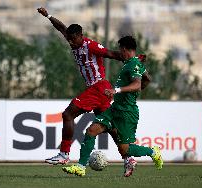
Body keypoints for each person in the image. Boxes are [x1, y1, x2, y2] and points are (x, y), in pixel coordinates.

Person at [37, 7, 145, 165]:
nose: (71, 42)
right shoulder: (72, 39)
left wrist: (133, 59)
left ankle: (64, 154)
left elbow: (111, 54)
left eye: (74, 39)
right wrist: (48, 15)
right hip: (99, 90)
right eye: (69, 39)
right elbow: (61, 27)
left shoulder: (91, 45)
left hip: (99, 87)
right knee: (111, 127)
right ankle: (128, 157)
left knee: (68, 115)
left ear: (81, 36)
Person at [62, 36, 163, 177]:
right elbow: (147, 78)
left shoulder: (133, 64)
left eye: (120, 49)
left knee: (125, 150)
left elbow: (137, 84)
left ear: (125, 49)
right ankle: (80, 166)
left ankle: (153, 152)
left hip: (127, 112)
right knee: (91, 131)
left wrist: (118, 91)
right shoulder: (133, 63)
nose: (119, 53)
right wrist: (134, 91)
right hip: (115, 108)